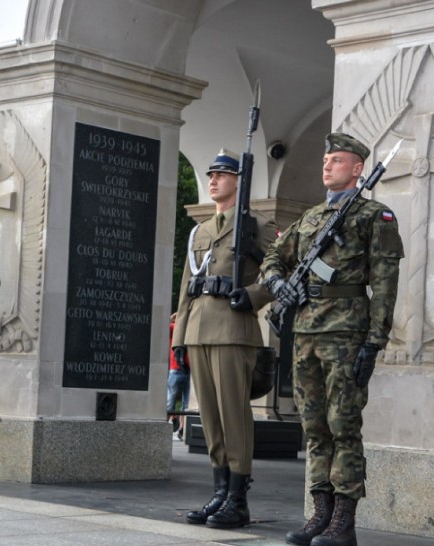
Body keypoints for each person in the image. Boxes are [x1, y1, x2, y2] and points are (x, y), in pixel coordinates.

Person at [260, 133, 404, 546]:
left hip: (346, 334)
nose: (327, 165)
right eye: (326, 159)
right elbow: (274, 256)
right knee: (314, 427)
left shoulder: (375, 217)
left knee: (343, 426)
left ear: (358, 169)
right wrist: (278, 283)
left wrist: (374, 342)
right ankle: (319, 516)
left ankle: (344, 522)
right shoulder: (309, 218)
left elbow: (385, 283)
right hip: (305, 333)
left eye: (337, 160)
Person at [172, 148, 276, 529]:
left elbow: (281, 270)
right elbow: (187, 287)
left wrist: (253, 296)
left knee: (234, 415)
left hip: (234, 329)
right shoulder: (200, 230)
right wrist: (179, 339)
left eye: (221, 174)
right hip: (200, 329)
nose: (213, 180)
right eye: (211, 174)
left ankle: (238, 498)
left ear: (238, 180)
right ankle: (219, 491)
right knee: (211, 418)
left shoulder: (257, 226)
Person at [167, 312, 190, 441]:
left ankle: (182, 429)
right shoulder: (173, 327)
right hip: (175, 370)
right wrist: (176, 315)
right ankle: (165, 426)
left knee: (185, 404)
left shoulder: (188, 330)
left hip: (187, 369)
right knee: (171, 401)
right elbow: (163, 326)